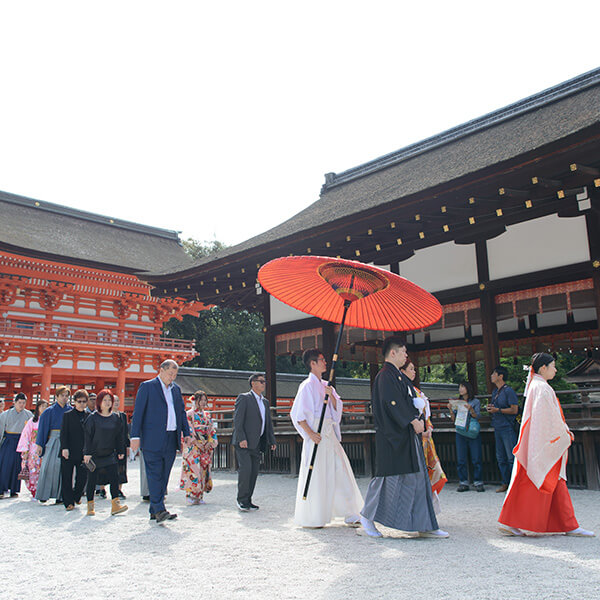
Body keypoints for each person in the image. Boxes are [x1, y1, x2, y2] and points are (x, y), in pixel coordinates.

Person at [360, 336, 448, 538]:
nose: (406, 355)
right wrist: (411, 419)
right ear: (393, 353)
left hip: (407, 436)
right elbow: (392, 404)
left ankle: (425, 524)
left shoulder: (398, 377)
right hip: (393, 437)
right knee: (385, 479)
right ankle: (367, 516)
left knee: (418, 479)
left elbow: (406, 401)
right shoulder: (385, 376)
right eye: (403, 352)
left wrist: (418, 414)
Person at [498, 353, 594, 537]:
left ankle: (566, 524)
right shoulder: (542, 388)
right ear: (543, 368)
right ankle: (568, 524)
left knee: (544, 482)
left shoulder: (536, 386)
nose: (555, 369)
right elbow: (547, 418)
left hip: (535, 441)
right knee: (549, 480)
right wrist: (563, 433)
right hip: (543, 442)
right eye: (553, 366)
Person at [291, 349, 362, 528]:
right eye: (321, 360)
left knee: (341, 470)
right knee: (317, 475)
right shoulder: (307, 385)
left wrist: (331, 396)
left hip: (329, 433)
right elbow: (299, 415)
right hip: (316, 434)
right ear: (312, 363)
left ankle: (350, 512)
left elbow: (338, 408)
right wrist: (310, 433)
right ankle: (315, 516)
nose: (325, 362)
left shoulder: (326, 385)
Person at [130, 359, 191, 523]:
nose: (173, 377)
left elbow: (182, 413)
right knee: (155, 473)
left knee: (164, 474)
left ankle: (154, 509)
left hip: (171, 437)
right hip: (152, 438)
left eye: (175, 374)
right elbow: (138, 413)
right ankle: (160, 509)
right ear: (161, 370)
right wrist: (134, 437)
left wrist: (187, 432)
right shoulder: (148, 387)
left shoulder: (176, 390)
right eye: (171, 373)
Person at [401, 360, 447, 511]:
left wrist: (429, 428)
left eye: (414, 369)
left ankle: (429, 509)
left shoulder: (417, 391)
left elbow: (426, 416)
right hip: (414, 436)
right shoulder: (403, 389)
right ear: (402, 371)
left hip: (425, 436)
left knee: (428, 473)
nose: (414, 372)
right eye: (411, 369)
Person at [232, 373, 276, 511]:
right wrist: (241, 438)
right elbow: (238, 420)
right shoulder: (244, 398)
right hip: (244, 442)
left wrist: (271, 440)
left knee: (254, 472)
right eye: (261, 381)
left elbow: (267, 423)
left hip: (258, 442)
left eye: (264, 381)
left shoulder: (265, 402)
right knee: (246, 470)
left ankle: (248, 499)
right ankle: (241, 500)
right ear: (253, 383)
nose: (264, 383)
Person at [83, 389, 128, 516]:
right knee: (92, 480)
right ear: (99, 402)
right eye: (105, 400)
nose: (108, 403)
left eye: (110, 400)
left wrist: (120, 450)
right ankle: (90, 506)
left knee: (114, 478)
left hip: (110, 453)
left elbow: (119, 435)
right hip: (95, 453)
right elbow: (87, 436)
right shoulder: (92, 418)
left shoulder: (115, 418)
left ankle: (115, 505)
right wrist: (87, 453)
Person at [180, 390, 218, 505]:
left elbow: (211, 430)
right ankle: (190, 495)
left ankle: (200, 495)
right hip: (194, 447)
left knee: (203, 470)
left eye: (205, 400)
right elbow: (187, 430)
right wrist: (195, 441)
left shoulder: (207, 415)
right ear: (195, 400)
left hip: (205, 446)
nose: (203, 402)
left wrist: (210, 442)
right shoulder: (189, 414)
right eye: (201, 400)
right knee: (193, 469)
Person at [35, 386, 72, 502]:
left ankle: (60, 495)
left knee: (63, 469)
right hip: (52, 441)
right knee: (48, 467)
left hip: (67, 442)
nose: (64, 398)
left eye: (67, 396)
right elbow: (42, 429)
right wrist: (40, 444)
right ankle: (44, 495)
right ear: (56, 396)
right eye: (62, 395)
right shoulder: (48, 412)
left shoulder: (71, 411)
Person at [447, 381, 484, 492]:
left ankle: (478, 481)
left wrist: (470, 409)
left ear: (468, 388)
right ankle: (463, 482)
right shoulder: (458, 402)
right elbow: (453, 419)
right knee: (461, 458)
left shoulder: (475, 401)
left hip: (472, 431)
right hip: (460, 431)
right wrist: (450, 410)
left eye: (462, 386)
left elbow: (477, 416)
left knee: (476, 457)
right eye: (459, 387)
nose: (460, 389)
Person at [488, 365, 520, 493]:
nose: (491, 376)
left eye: (494, 374)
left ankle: (515, 483)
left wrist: (498, 410)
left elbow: (514, 409)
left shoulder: (508, 391)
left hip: (507, 427)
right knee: (500, 457)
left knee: (511, 457)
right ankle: (505, 482)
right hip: (498, 426)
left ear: (500, 376)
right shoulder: (496, 391)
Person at [59, 389, 89, 511]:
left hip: (83, 451)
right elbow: (63, 433)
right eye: (79, 401)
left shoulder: (90, 417)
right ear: (74, 402)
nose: (81, 404)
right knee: (66, 477)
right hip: (69, 450)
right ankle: (68, 502)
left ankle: (77, 496)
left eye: (84, 401)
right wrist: (64, 448)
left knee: (82, 478)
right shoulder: (68, 415)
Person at [0, 393, 33, 498]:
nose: (21, 405)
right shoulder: (5, 414)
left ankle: (14, 490)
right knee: (5, 465)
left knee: (17, 466)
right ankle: (1, 489)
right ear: (14, 402)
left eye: (23, 403)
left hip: (21, 441)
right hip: (9, 440)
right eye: (19, 403)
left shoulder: (29, 415)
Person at [16, 400, 48, 498]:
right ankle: (33, 489)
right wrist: (25, 450)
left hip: (45, 448)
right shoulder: (32, 421)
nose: (44, 408)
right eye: (42, 406)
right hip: (33, 449)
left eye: (46, 406)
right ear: (37, 408)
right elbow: (25, 436)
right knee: (33, 469)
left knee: (44, 469)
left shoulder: (48, 421)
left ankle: (42, 490)